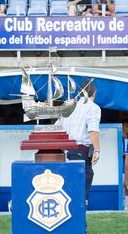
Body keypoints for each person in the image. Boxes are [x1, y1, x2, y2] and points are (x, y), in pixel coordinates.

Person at [56, 80, 101, 210]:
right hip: (80, 153)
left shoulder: (68, 106)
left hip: (63, 154)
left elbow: (57, 127)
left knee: (67, 193)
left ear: (80, 92)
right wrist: (97, 150)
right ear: (94, 93)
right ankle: (81, 228)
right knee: (81, 195)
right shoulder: (93, 107)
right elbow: (92, 129)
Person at [122, 119, 128, 210]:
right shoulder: (119, 139)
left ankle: (127, 207)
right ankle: (122, 207)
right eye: (126, 126)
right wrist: (127, 153)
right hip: (120, 168)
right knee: (123, 188)